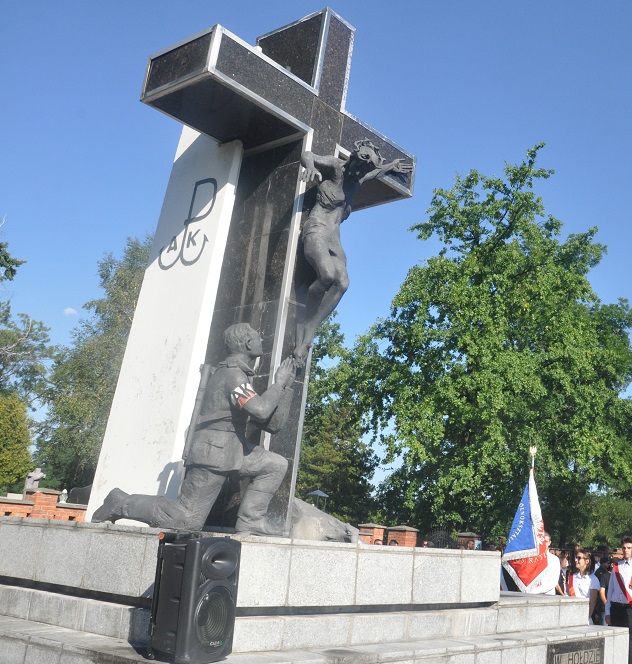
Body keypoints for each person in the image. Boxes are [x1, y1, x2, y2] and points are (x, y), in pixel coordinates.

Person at [92, 323, 295, 535]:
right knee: (185, 519)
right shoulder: (233, 376)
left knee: (275, 465)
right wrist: (278, 384)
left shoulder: (239, 376)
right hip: (214, 452)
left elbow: (272, 425)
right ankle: (120, 502)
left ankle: (251, 520)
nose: (262, 339)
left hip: (233, 449)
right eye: (257, 336)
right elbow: (262, 410)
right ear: (247, 343)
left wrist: (287, 388)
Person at [295, 140, 413, 362]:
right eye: (358, 166)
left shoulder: (358, 180)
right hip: (317, 229)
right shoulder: (335, 167)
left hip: (334, 239)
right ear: (353, 159)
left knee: (343, 283)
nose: (359, 172)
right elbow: (308, 154)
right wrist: (310, 167)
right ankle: (306, 320)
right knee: (327, 275)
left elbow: (377, 171)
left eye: (364, 169)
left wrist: (391, 166)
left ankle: (312, 324)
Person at [605, 536, 632, 657]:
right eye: (624, 548)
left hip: (630, 608)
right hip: (616, 607)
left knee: (630, 643)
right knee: (615, 641)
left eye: (629, 548)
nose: (626, 550)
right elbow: (611, 590)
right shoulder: (617, 567)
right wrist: (607, 611)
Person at [567, 550, 601, 624]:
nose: (576, 560)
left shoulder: (593, 579)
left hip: (584, 615)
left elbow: (593, 601)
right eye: (576, 557)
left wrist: (587, 618)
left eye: (579, 558)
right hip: (571, 614)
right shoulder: (572, 577)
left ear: (587, 561)